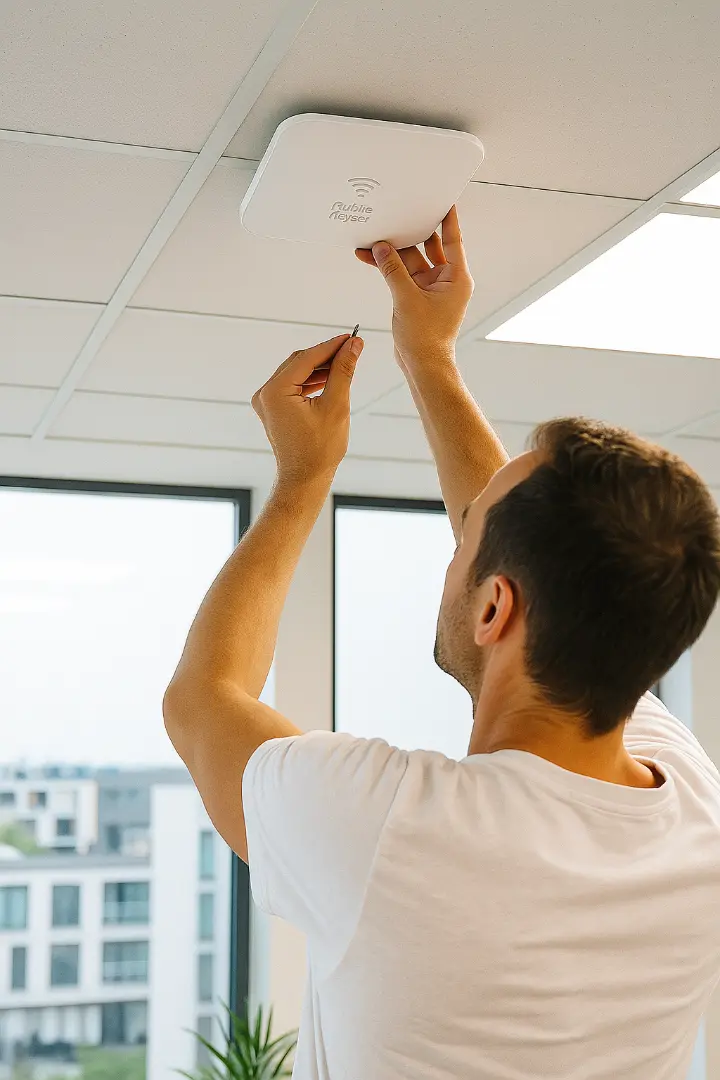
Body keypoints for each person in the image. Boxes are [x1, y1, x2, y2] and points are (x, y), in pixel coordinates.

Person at [163, 206, 720, 1080]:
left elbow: (201, 706)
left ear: (495, 607)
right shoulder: (688, 809)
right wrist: (428, 355)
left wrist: (302, 482)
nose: (453, 540)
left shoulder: (391, 829)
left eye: (461, 541)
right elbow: (525, 550)